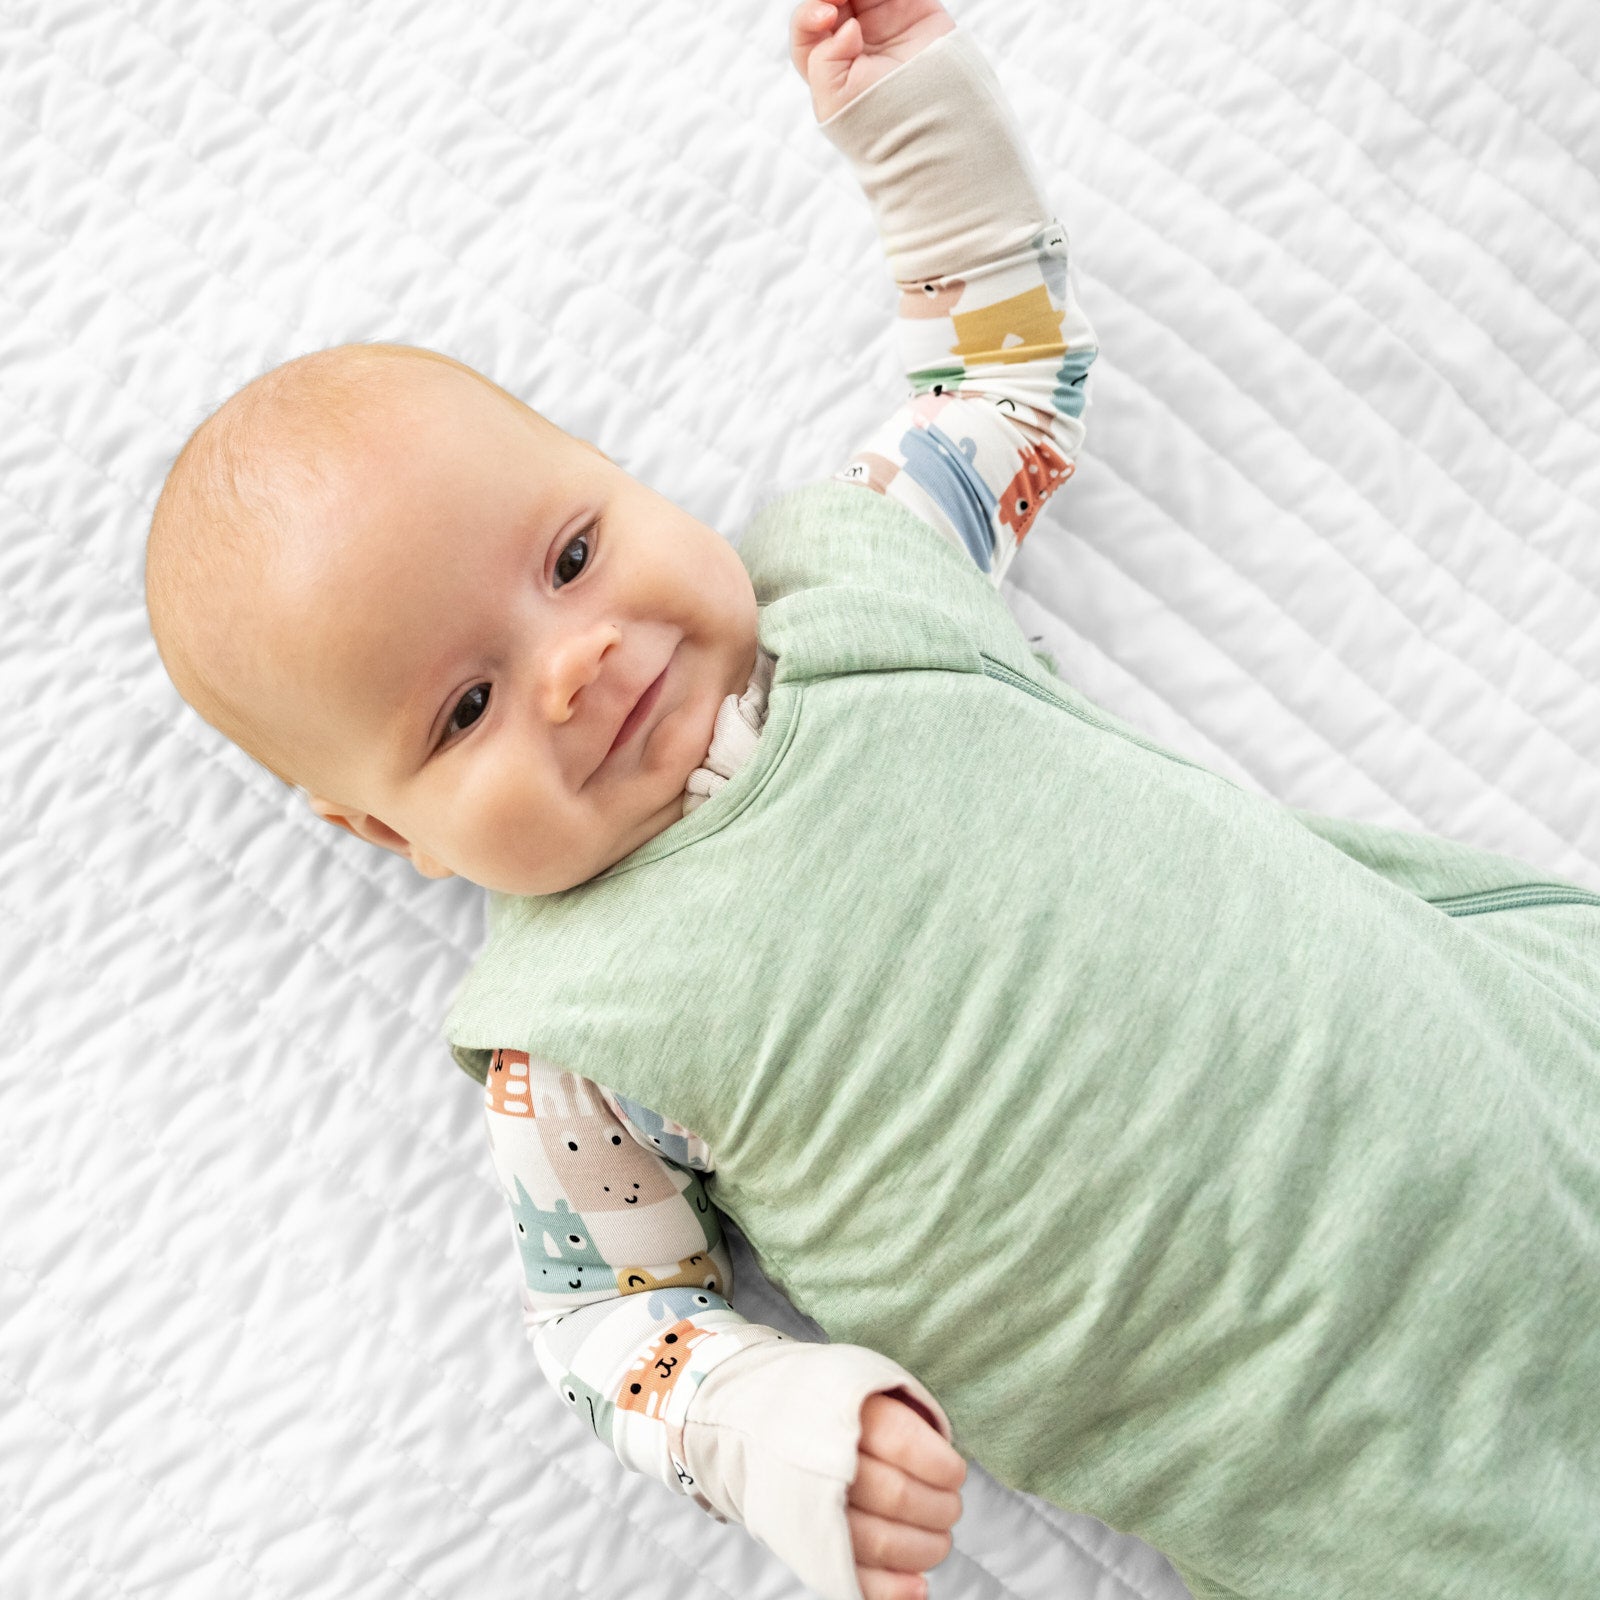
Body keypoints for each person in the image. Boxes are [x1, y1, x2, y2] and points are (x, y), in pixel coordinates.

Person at [143, 4, 1600, 1600]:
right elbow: (611, 1326)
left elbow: (1009, 374)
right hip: (1312, 1436)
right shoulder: (568, 1040)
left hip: (1507, 1094)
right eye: (465, 707)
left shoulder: (854, 565)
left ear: (623, 479)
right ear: (387, 834)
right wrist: (775, 1426)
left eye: (571, 557)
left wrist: (912, 123)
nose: (573, 665)